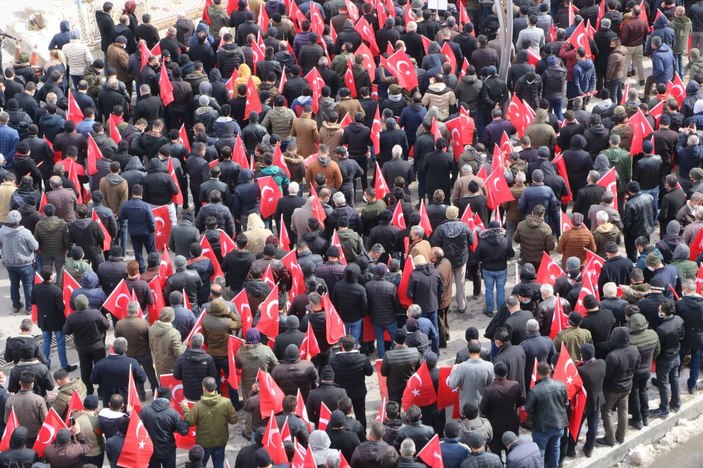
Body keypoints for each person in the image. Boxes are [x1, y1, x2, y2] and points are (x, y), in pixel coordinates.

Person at [182, 376, 237, 468]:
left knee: (201, 465)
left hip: (204, 443)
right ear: (215, 387)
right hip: (220, 440)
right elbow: (234, 420)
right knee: (219, 464)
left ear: (204, 388)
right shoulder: (226, 402)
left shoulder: (198, 406)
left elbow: (190, 421)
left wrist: (185, 407)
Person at [598, 327, 640, 446]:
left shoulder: (613, 356)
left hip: (613, 388)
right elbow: (637, 366)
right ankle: (621, 436)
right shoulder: (634, 349)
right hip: (627, 386)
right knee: (623, 410)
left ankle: (609, 438)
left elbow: (607, 375)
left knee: (606, 410)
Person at [63, 294, 110, 396]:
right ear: (87, 303)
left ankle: (88, 391)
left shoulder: (72, 317)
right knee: (101, 367)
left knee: (85, 369)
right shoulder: (95, 313)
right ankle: (102, 392)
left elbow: (66, 331)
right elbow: (106, 325)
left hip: (82, 347)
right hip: (98, 346)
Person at [524, 362, 568, 468]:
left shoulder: (535, 390)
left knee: (540, 452)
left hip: (542, 428)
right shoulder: (561, 384)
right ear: (550, 371)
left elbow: (528, 409)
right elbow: (566, 403)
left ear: (538, 373)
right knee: (555, 448)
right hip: (559, 424)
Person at [32, 266, 75, 371]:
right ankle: (64, 366)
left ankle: (46, 364)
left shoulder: (36, 288)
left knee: (46, 343)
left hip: (44, 321)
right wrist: (64, 303)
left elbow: (33, 302)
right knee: (60, 343)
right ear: (51, 276)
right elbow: (61, 308)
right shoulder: (56, 290)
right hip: (57, 321)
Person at [328, 335, 374, 429]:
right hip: (358, 392)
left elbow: (330, 377)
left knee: (341, 415)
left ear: (342, 345)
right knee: (360, 414)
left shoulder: (332, 360)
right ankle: (362, 434)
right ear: (354, 346)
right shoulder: (362, 358)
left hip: (342, 394)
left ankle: (343, 432)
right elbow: (369, 372)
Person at [139, 386, 190, 468]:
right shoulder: (172, 413)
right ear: (169, 398)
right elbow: (184, 431)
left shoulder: (145, 411)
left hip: (151, 450)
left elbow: (138, 429)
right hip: (168, 450)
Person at [90, 337, 147, 407]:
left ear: (113, 348)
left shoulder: (100, 364)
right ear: (126, 348)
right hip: (127, 401)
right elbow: (142, 379)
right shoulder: (132, 362)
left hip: (109, 402)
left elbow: (93, 380)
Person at [0, 210, 38, 314]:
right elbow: (35, 246)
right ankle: (29, 308)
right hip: (25, 264)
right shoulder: (25, 232)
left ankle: (16, 306)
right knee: (27, 285)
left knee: (14, 284)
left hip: (10, 264)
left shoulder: (2, 232)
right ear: (20, 219)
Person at [651, 299, 684, 418]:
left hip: (665, 359)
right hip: (676, 355)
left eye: (659, 309)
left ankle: (664, 408)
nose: (658, 311)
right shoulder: (679, 320)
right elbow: (682, 335)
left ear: (663, 313)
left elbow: (659, 347)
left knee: (663, 383)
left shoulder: (661, 329)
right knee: (674, 379)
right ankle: (676, 403)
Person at [4, 370, 47, 446]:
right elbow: (45, 420)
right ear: (32, 384)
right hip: (36, 436)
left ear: (20, 382)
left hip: (19, 437)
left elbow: (7, 420)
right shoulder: (39, 399)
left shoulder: (10, 400)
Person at [119, 184, 155, 272]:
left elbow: (122, 217)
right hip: (147, 232)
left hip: (134, 232)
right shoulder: (146, 206)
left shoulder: (126, 205)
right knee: (151, 251)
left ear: (132, 193)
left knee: (138, 252)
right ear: (141, 194)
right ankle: (153, 267)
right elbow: (151, 220)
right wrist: (152, 229)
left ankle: (141, 269)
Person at [380, 330, 422, 405]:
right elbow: (419, 369)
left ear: (394, 341)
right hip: (410, 385)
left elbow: (383, 373)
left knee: (394, 408)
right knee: (411, 407)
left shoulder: (388, 355)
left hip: (394, 387)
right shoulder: (415, 352)